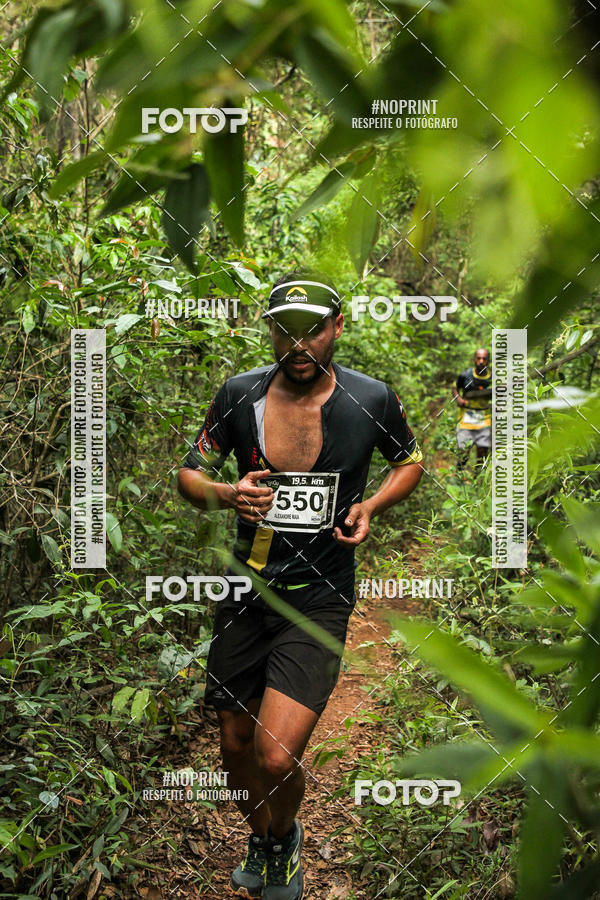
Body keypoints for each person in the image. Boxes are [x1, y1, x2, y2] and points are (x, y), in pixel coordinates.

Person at [177, 272, 423, 899]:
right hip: (245, 589)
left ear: (336, 328)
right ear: (270, 333)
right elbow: (189, 474)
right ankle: (262, 839)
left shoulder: (371, 398)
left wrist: (371, 506)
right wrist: (226, 494)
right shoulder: (239, 394)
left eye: (312, 329)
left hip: (320, 595)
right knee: (234, 740)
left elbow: (409, 460)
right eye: (285, 330)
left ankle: (284, 837)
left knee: (275, 756)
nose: (299, 343)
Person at [452, 348, 492, 471]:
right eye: (478, 358)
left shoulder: (493, 378)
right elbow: (454, 389)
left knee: (482, 453)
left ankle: (478, 481)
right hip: (466, 419)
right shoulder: (465, 375)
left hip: (484, 419)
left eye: (484, 359)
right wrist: (458, 399)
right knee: (463, 452)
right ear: (474, 359)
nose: (481, 361)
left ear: (488, 361)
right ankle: (459, 480)